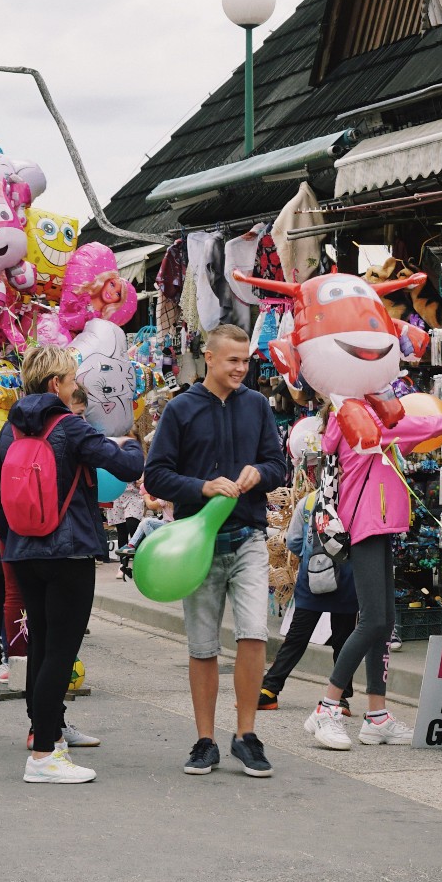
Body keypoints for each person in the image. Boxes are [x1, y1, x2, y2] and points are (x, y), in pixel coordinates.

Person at [0, 346, 144, 783]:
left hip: (23, 550)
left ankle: (46, 731)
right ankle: (42, 757)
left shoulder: (8, 431)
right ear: (56, 384)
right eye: (73, 380)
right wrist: (131, 444)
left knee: (41, 644)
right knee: (60, 648)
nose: (77, 387)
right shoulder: (70, 427)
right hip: (68, 551)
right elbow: (127, 465)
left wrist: (15, 539)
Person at [301, 388, 442, 753]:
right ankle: (327, 707)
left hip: (380, 524)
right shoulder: (352, 414)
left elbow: (402, 441)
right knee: (372, 621)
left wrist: (436, 428)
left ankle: (377, 717)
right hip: (366, 524)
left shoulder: (368, 412)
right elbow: (403, 429)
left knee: (383, 621)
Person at [143, 323, 289, 777]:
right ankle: (204, 740)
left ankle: (246, 736)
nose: (242, 369)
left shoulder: (257, 406)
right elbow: (156, 475)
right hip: (196, 544)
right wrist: (202, 486)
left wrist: (259, 474)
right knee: (203, 645)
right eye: (233, 361)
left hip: (247, 536)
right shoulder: (180, 409)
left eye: (246, 361)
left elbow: (278, 466)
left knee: (253, 634)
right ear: (209, 358)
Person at [259, 487, 360, 710]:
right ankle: (341, 697)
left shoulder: (309, 501)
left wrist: (313, 558)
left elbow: (294, 541)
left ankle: (269, 690)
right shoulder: (356, 499)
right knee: (343, 641)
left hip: (312, 578)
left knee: (296, 637)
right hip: (346, 578)